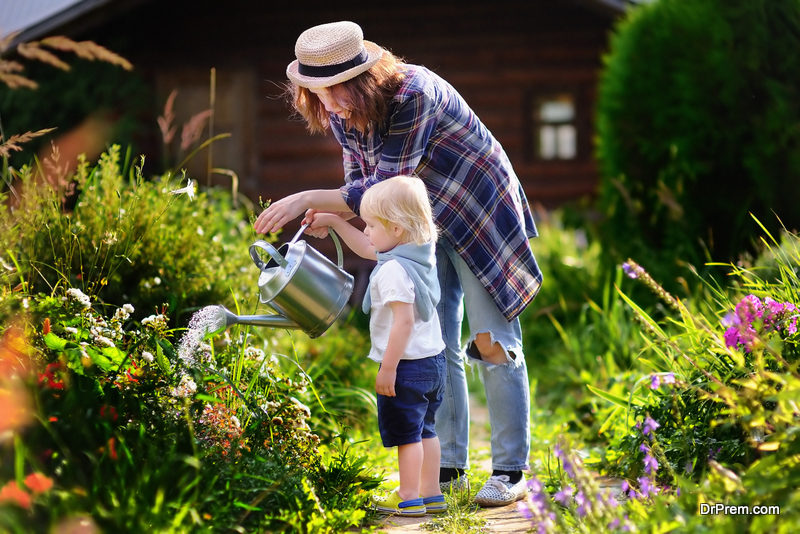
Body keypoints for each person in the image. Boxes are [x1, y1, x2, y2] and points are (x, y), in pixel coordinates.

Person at [253, 20, 543, 507]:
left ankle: (511, 471)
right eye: (317, 93)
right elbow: (363, 194)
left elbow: (384, 184)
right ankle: (448, 469)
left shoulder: (414, 93)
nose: (330, 104)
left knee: (492, 340)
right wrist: (335, 216)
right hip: (419, 223)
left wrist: (306, 196)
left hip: (475, 208)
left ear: (363, 78)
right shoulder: (344, 114)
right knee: (435, 340)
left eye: (337, 90)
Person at [308, 175, 446, 516]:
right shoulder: (419, 253)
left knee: (407, 436)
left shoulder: (392, 271)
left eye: (371, 225)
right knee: (427, 430)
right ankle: (431, 493)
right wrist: (335, 222)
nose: (366, 231)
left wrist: (388, 367)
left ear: (396, 229)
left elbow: (404, 322)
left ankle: (409, 497)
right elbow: (371, 248)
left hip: (405, 366)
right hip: (433, 362)